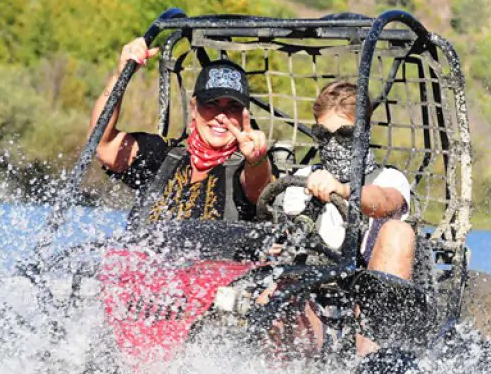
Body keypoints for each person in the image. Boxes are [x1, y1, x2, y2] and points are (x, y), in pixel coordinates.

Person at [281, 79, 417, 357]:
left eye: (344, 135)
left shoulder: (389, 179)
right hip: (314, 295)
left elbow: (384, 201)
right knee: (268, 291)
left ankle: (372, 362)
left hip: (369, 296)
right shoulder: (303, 181)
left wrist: (343, 191)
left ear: (362, 134)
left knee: (397, 232)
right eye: (323, 135)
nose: (332, 145)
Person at [89, 38, 273, 226]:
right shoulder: (162, 155)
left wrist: (257, 159)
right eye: (212, 104)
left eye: (233, 107)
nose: (221, 116)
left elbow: (259, 191)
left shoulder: (248, 166)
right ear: (194, 109)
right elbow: (103, 146)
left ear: (245, 115)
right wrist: (121, 75)